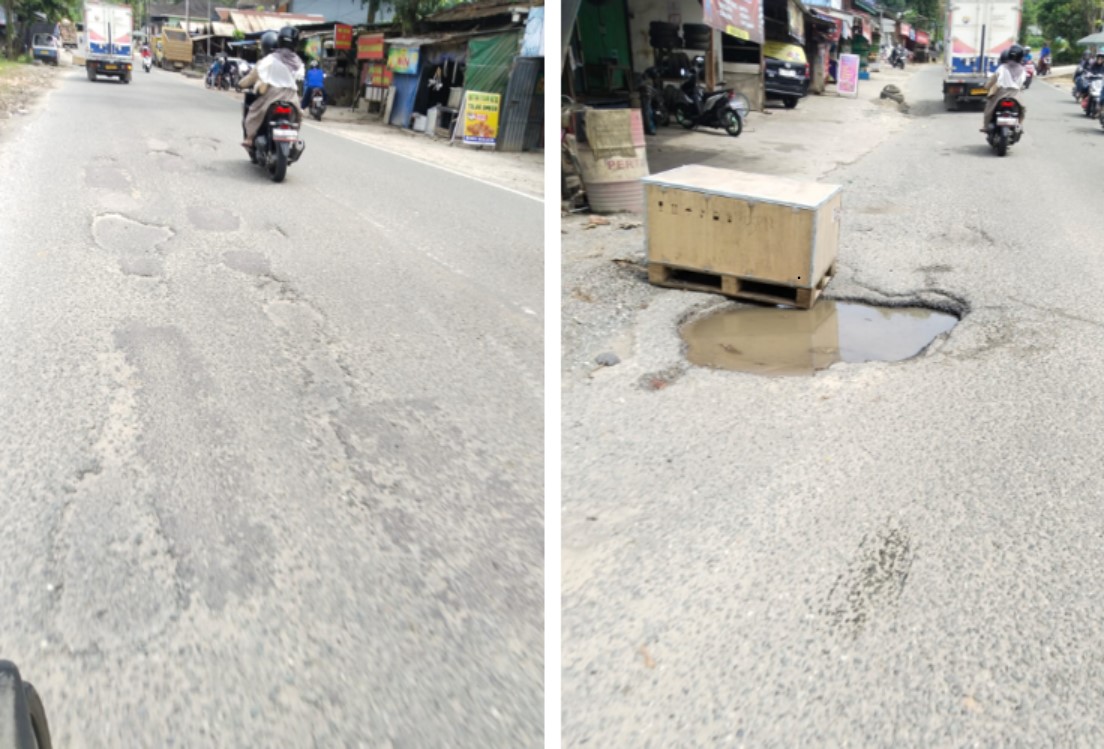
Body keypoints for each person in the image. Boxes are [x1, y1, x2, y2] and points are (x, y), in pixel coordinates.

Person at [238, 27, 304, 148]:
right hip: (292, 96)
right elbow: (300, 77)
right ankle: (294, 139)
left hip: (273, 94)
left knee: (254, 110)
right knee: (298, 115)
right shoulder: (297, 61)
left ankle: (249, 138)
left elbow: (257, 74)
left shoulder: (271, 58)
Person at [982, 43, 1026, 132]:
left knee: (989, 108)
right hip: (1016, 95)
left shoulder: (1002, 67)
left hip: (1001, 94)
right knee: (1022, 111)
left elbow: (993, 79)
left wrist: (986, 86)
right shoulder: (1023, 70)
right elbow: (1022, 83)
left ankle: (986, 127)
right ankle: (1019, 126)